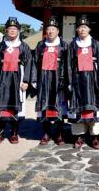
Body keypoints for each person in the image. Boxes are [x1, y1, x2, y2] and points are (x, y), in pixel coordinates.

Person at [0, 17, 34, 144]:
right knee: (1, 107)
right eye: (9, 29)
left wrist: (26, 81)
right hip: (2, 80)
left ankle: (14, 133)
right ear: (6, 31)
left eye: (14, 29)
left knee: (16, 107)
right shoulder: (0, 46)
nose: (12, 31)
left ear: (18, 31)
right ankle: (0, 132)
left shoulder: (24, 46)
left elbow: (29, 64)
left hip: (18, 79)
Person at [67, 14, 99, 149]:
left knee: (93, 108)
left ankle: (94, 136)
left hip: (92, 81)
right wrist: (70, 81)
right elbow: (69, 65)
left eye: (85, 27)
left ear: (89, 29)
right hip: (77, 80)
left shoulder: (96, 44)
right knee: (78, 108)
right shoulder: (72, 45)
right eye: (80, 27)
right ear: (77, 30)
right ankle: (79, 136)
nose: (82, 29)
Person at [33, 16, 70, 146]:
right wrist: (34, 80)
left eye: (53, 29)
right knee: (45, 107)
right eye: (48, 29)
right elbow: (34, 63)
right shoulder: (40, 45)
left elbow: (68, 64)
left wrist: (65, 79)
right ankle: (46, 132)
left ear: (58, 31)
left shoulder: (64, 45)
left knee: (59, 107)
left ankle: (59, 133)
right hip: (43, 80)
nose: (50, 32)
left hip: (58, 81)